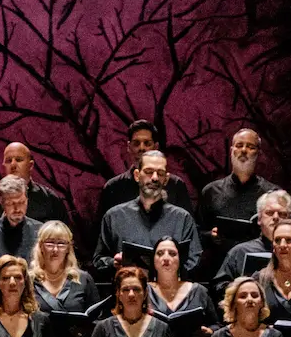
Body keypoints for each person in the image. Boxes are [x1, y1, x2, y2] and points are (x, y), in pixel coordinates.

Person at [94, 149, 202, 277]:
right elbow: (99, 260)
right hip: (129, 287)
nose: (155, 178)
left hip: (169, 288)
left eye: (160, 173)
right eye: (149, 172)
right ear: (136, 175)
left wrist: (169, 272)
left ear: (166, 179)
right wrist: (114, 263)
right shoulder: (114, 216)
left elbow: (193, 260)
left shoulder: (182, 218)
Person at [195, 128, 279, 278]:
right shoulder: (211, 191)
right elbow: (197, 232)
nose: (244, 150)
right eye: (239, 145)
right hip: (219, 270)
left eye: (250, 147)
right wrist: (211, 235)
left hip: (260, 271)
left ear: (258, 153)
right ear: (231, 150)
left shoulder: (273, 194)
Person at [95, 119, 195, 220]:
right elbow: (102, 228)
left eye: (147, 143)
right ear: (128, 147)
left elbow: (188, 226)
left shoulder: (175, 185)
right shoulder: (113, 187)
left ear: (156, 147)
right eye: (136, 143)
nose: (141, 148)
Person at [0, 141, 70, 230]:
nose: (13, 165)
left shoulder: (50, 199)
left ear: (30, 165)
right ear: (3, 166)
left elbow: (66, 238)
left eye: (18, 160)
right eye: (8, 161)